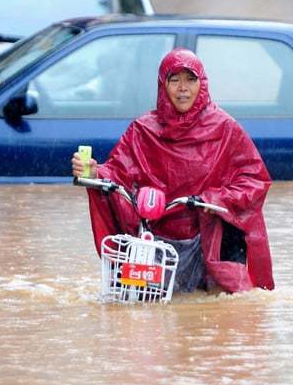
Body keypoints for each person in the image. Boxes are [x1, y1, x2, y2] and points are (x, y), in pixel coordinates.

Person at [71, 48, 274, 293]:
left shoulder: (225, 129)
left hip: (207, 237)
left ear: (203, 84)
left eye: (190, 79)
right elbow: (117, 171)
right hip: (153, 238)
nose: (183, 88)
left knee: (223, 309)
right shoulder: (142, 130)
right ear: (162, 85)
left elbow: (254, 179)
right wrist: (95, 174)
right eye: (174, 80)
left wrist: (214, 200)